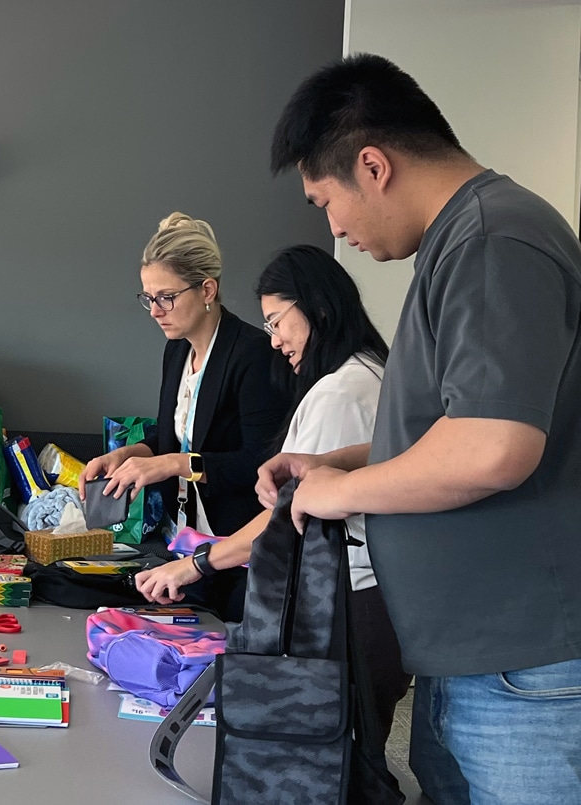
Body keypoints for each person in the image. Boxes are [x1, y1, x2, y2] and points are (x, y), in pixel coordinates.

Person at [261, 53, 581, 804]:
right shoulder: (461, 244)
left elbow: (494, 446)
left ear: (372, 165)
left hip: (521, 663)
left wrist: (345, 492)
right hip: (470, 654)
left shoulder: (493, 240)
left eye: (324, 201)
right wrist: (332, 462)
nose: (335, 231)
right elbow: (455, 429)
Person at [136, 244, 410, 740]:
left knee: (334, 761)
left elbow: (288, 516)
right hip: (365, 597)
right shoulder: (365, 373)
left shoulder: (340, 394)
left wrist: (198, 563)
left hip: (352, 600)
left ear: (318, 309)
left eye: (278, 322)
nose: (276, 341)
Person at [79, 213, 288, 621]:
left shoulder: (252, 354)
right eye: (148, 298)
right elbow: (182, 434)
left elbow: (260, 463)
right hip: (187, 539)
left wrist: (173, 464)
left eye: (166, 297)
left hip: (240, 545)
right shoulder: (177, 349)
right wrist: (130, 453)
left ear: (207, 289)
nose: (155, 311)